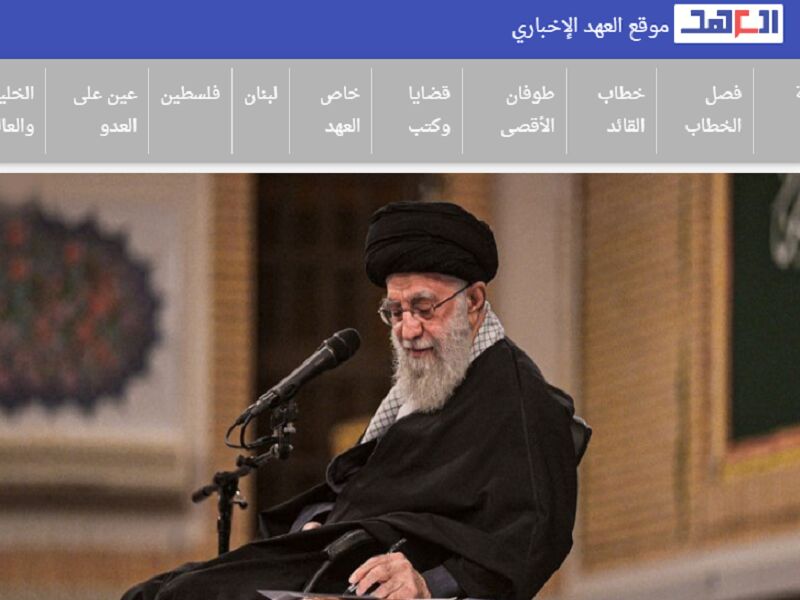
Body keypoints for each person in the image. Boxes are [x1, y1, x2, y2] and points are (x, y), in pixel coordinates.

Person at [121, 201, 589, 600]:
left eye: (424, 308)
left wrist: (427, 583)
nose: (408, 329)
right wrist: (318, 520)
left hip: (372, 579)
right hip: (332, 555)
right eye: (395, 312)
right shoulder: (427, 385)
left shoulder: (521, 400)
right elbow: (366, 490)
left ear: (474, 302)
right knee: (153, 592)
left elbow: (531, 541)